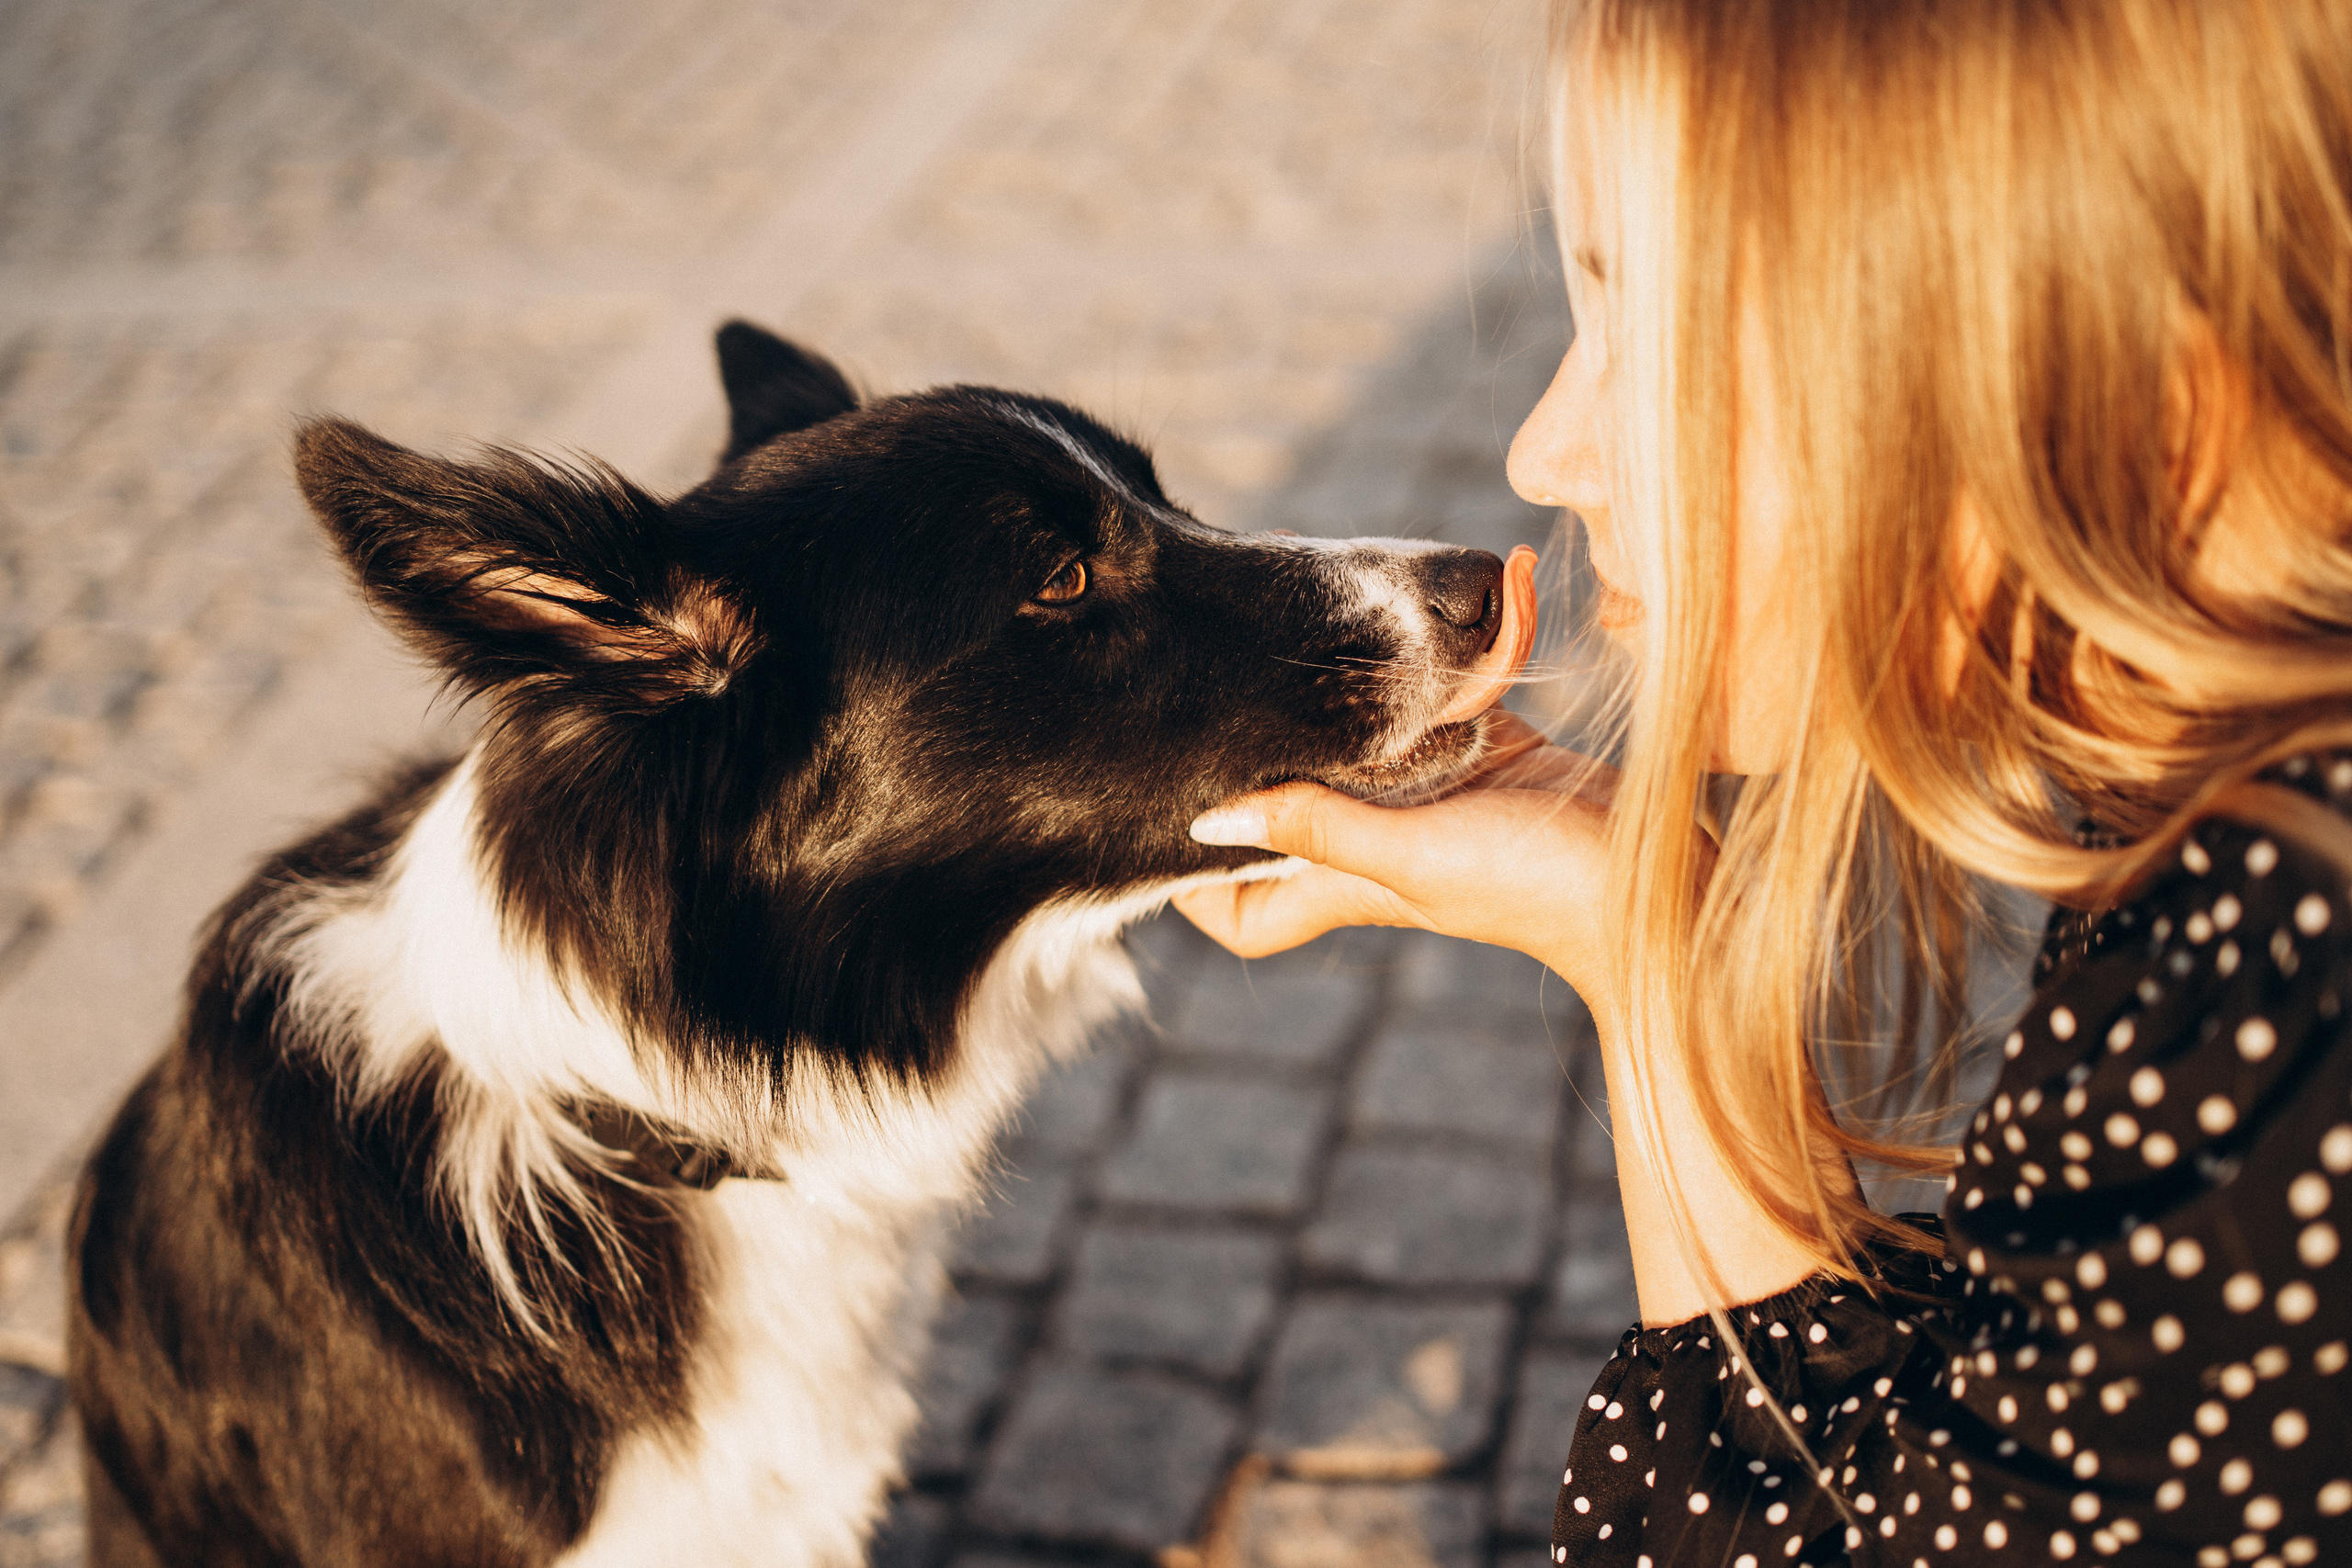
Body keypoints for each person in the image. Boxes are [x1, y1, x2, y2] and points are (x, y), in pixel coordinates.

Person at [1176, 0, 2352, 1562]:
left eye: (1642, 330)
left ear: (2057, 341)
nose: (1545, 454)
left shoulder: (2278, 999)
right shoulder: (2221, 828)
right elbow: (1985, 1470)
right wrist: (1635, 921)